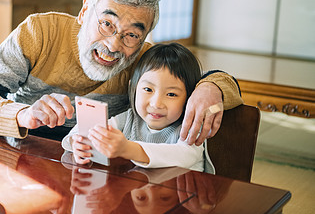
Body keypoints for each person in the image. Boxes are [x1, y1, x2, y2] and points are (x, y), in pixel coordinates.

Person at [0, 0, 243, 142]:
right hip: (26, 146)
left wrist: (210, 87)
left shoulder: (144, 59)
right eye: (107, 24)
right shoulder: (39, 31)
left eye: (132, 34)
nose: (114, 45)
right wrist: (23, 115)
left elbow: (221, 82)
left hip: (98, 162)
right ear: (84, 11)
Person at [62, 43, 215, 172]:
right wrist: (78, 141)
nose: (156, 104)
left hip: (182, 199)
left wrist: (128, 149)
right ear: (133, 89)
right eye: (148, 90)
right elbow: (94, 129)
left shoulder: (191, 127)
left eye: (171, 94)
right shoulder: (129, 118)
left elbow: (184, 155)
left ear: (190, 98)